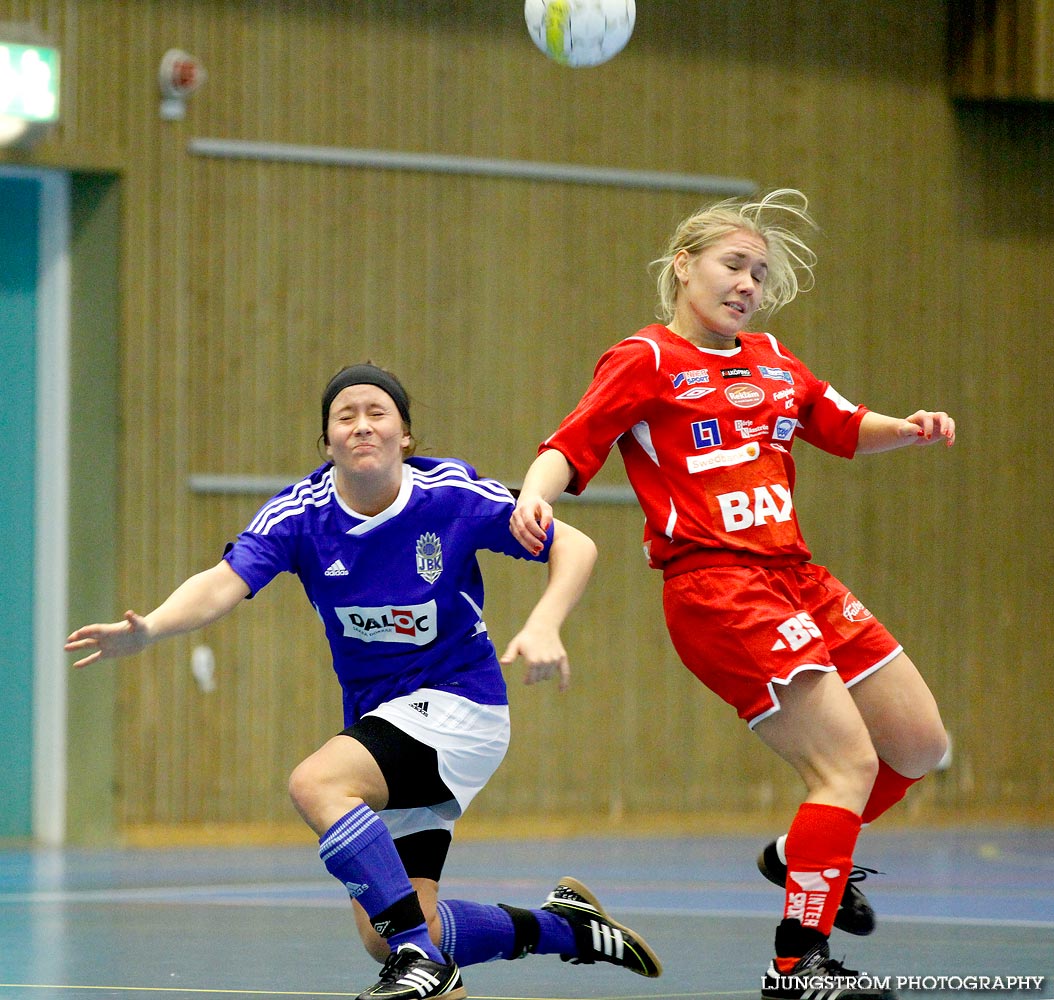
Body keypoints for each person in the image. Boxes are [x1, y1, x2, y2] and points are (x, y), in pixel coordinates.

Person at [66, 363, 662, 1000]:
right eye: (344, 416)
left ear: (405, 433)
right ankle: (566, 929)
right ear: (327, 444)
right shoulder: (302, 515)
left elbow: (575, 544)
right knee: (394, 926)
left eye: (377, 412)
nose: (361, 425)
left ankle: (422, 965)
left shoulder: (451, 495)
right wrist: (151, 628)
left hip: (463, 704)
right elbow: (221, 584)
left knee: (317, 782)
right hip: (383, 720)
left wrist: (545, 624)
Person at [509, 190, 955, 1000]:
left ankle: (800, 853)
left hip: (798, 577)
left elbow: (844, 425)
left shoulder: (776, 360)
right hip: (719, 585)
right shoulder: (644, 359)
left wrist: (911, 425)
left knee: (919, 747)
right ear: (684, 266)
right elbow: (569, 445)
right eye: (732, 264)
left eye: (758, 273)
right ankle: (800, 964)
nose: (747, 284)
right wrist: (533, 497)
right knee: (847, 764)